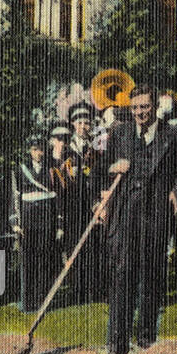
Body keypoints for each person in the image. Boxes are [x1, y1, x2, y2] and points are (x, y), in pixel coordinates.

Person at [101, 84, 177, 354]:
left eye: (145, 107)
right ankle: (116, 345)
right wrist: (113, 168)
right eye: (135, 107)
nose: (140, 113)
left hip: (156, 219)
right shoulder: (120, 133)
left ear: (155, 107)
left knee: (151, 281)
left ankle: (146, 344)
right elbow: (100, 172)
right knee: (122, 279)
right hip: (124, 218)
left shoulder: (175, 135)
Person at [12, 131, 65, 312]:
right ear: (29, 151)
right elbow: (15, 197)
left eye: (41, 149)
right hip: (28, 220)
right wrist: (15, 223)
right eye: (35, 150)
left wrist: (59, 225)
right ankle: (28, 302)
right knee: (28, 261)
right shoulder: (20, 170)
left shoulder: (52, 169)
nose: (38, 153)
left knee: (44, 260)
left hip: (46, 220)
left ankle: (43, 301)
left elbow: (57, 198)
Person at [65, 102, 102, 302]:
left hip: (91, 204)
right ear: (73, 125)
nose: (84, 127)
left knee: (94, 247)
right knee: (74, 246)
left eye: (87, 123)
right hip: (72, 206)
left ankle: (93, 289)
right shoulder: (66, 151)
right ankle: (77, 290)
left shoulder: (94, 150)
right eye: (80, 123)